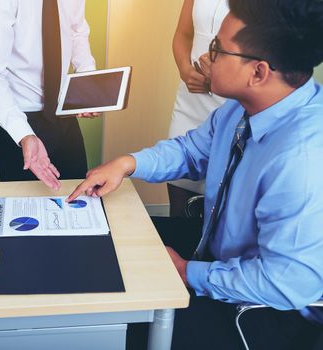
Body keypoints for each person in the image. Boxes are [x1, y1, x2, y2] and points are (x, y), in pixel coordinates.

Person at [68, 0, 323, 348]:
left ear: (259, 72)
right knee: (109, 245)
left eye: (217, 48)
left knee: (121, 325)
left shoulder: (303, 161)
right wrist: (127, 163)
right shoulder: (240, 107)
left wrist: (188, 272)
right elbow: (192, 150)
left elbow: (286, 284)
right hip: (218, 258)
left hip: (266, 312)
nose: (205, 56)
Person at [0, 0, 98, 190]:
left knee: (78, 200)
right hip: (17, 118)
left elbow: (76, 30)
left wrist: (86, 82)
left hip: (62, 113)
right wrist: (24, 134)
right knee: (26, 209)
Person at [167, 0, 229, 217]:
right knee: (179, 201)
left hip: (232, 102)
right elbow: (182, 35)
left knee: (223, 209)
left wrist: (223, 76)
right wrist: (185, 70)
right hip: (190, 100)